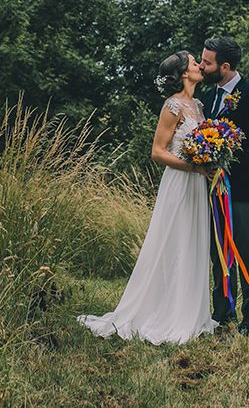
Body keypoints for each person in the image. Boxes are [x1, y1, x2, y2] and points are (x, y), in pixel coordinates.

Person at [78, 51, 217, 344]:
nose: (199, 66)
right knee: (174, 240)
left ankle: (191, 311)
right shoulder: (173, 105)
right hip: (180, 183)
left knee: (193, 242)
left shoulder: (199, 106)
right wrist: (194, 166)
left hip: (197, 184)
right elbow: (158, 152)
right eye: (194, 62)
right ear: (183, 73)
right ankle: (165, 312)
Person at [199, 36, 249, 331]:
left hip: (243, 190)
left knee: (245, 252)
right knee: (218, 253)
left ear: (225, 66)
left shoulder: (247, 92)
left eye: (207, 62)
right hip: (212, 191)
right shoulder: (206, 98)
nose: (202, 66)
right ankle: (223, 313)